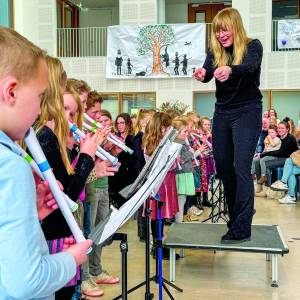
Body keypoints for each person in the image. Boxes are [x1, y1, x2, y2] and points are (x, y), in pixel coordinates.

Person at [0, 26, 92, 299]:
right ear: (11, 92)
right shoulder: (10, 167)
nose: (41, 110)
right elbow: (27, 282)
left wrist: (32, 212)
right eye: (41, 97)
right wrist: (71, 259)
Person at [193, 8, 263, 243]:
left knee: (240, 166)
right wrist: (202, 73)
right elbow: (207, 74)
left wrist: (231, 69)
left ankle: (242, 226)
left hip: (248, 110)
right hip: (223, 112)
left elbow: (250, 67)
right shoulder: (215, 51)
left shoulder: (253, 46)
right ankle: (237, 215)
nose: (221, 35)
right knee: (223, 167)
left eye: (225, 29)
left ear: (235, 26)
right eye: (217, 31)